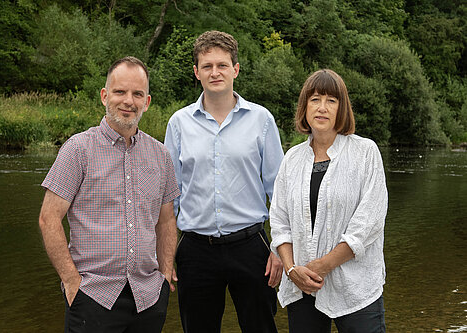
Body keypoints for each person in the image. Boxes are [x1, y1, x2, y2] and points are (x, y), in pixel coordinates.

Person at [39, 56, 180, 333]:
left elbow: (166, 221)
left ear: (147, 102)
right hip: (92, 297)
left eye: (137, 94)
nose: (128, 101)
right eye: (120, 92)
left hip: (148, 298)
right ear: (105, 96)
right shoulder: (78, 150)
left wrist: (165, 274)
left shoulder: (160, 155)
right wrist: (70, 281)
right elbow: (49, 219)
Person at [164, 30, 284, 333]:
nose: (214, 72)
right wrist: (166, 254)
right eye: (207, 66)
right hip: (195, 250)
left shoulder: (262, 120)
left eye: (222, 65)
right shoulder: (179, 124)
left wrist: (280, 250)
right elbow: (168, 196)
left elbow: (280, 192)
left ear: (236, 69)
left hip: (251, 246)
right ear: (196, 72)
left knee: (261, 327)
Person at [269, 69, 388, 333]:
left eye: (331, 101)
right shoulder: (292, 158)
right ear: (304, 107)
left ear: (341, 108)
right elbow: (279, 221)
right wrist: (291, 270)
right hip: (302, 288)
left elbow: (368, 224)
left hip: (355, 288)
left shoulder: (365, 153)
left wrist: (321, 266)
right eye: (315, 100)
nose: (322, 108)